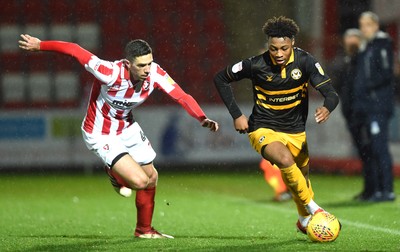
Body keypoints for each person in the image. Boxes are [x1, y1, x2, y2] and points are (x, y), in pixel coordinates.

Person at [19, 34, 219, 238]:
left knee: (152, 177)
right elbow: (75, 49)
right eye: (141, 65)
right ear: (128, 63)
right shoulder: (110, 72)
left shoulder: (155, 73)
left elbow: (181, 95)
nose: (147, 69)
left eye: (149, 63)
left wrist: (201, 118)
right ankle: (114, 173)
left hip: (127, 127)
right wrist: (40, 45)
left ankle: (144, 230)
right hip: (100, 133)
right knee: (139, 182)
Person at [214, 16, 339, 234]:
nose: (279, 54)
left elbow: (331, 94)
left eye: (284, 48)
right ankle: (315, 209)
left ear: (293, 43)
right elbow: (220, 78)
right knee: (284, 159)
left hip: (296, 131)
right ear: (268, 46)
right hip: (263, 127)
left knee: (301, 178)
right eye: (274, 49)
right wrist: (236, 114)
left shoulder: (306, 61)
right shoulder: (255, 64)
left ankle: (302, 219)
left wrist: (327, 107)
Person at [352, 11, 395, 202]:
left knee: (379, 148)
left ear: (376, 26)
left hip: (378, 106)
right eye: (362, 25)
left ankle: (387, 190)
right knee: (370, 149)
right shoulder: (366, 47)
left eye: (367, 24)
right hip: (367, 107)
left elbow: (386, 73)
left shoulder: (382, 45)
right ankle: (375, 189)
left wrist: (366, 89)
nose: (364, 28)